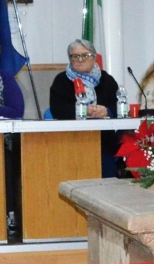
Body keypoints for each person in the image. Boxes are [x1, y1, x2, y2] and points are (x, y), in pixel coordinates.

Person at [49, 39, 121, 177]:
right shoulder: (62, 81)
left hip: (103, 140)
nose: (80, 60)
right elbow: (57, 110)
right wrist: (83, 110)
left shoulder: (106, 80)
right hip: (70, 140)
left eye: (85, 55)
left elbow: (119, 106)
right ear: (70, 59)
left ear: (94, 58)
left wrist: (106, 111)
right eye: (75, 56)